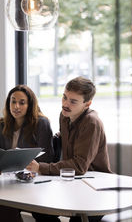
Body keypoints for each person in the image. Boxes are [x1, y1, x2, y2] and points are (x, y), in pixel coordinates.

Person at [26, 76, 112, 222]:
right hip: (72, 182)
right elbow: (66, 138)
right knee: (39, 208)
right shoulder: (65, 116)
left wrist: (41, 167)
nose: (65, 104)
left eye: (73, 101)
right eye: (64, 97)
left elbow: (79, 165)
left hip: (95, 187)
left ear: (87, 104)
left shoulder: (91, 122)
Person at [0, 84, 55, 222]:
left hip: (34, 182)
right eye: (13, 101)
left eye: (22, 102)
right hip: (8, 182)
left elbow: (48, 157)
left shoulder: (41, 123)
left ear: (30, 105)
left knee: (42, 214)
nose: (16, 106)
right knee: (3, 202)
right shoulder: (0, 125)